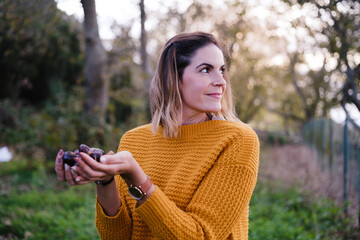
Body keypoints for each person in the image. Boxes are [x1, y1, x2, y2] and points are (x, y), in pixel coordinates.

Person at [55, 32, 260, 240]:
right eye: (206, 70)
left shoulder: (237, 139)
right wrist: (106, 180)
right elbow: (117, 237)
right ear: (173, 77)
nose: (221, 81)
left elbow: (201, 236)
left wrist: (135, 175)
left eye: (222, 70)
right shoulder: (133, 140)